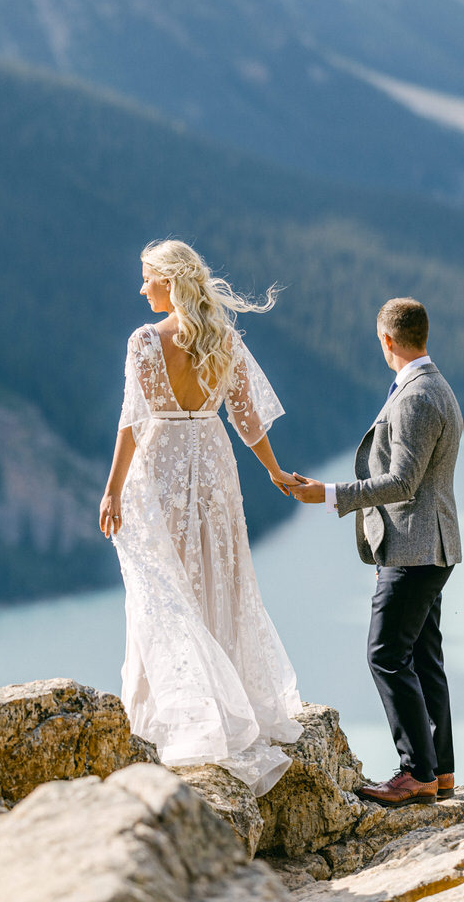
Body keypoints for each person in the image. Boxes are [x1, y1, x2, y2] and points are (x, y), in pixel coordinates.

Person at [100, 239, 303, 795]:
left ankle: (168, 718)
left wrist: (113, 489)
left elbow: (131, 421)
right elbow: (247, 418)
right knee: (219, 576)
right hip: (213, 461)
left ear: (169, 281)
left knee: (161, 587)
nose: (142, 289)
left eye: (148, 279)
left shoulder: (144, 341)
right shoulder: (224, 338)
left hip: (161, 463)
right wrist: (274, 470)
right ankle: (225, 703)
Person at [291, 297, 462, 807]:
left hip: (412, 549)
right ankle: (440, 770)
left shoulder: (413, 396)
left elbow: (404, 481)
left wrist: (328, 494)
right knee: (424, 658)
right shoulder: (439, 387)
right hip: (435, 545)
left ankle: (415, 774)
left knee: (386, 655)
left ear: (387, 340)